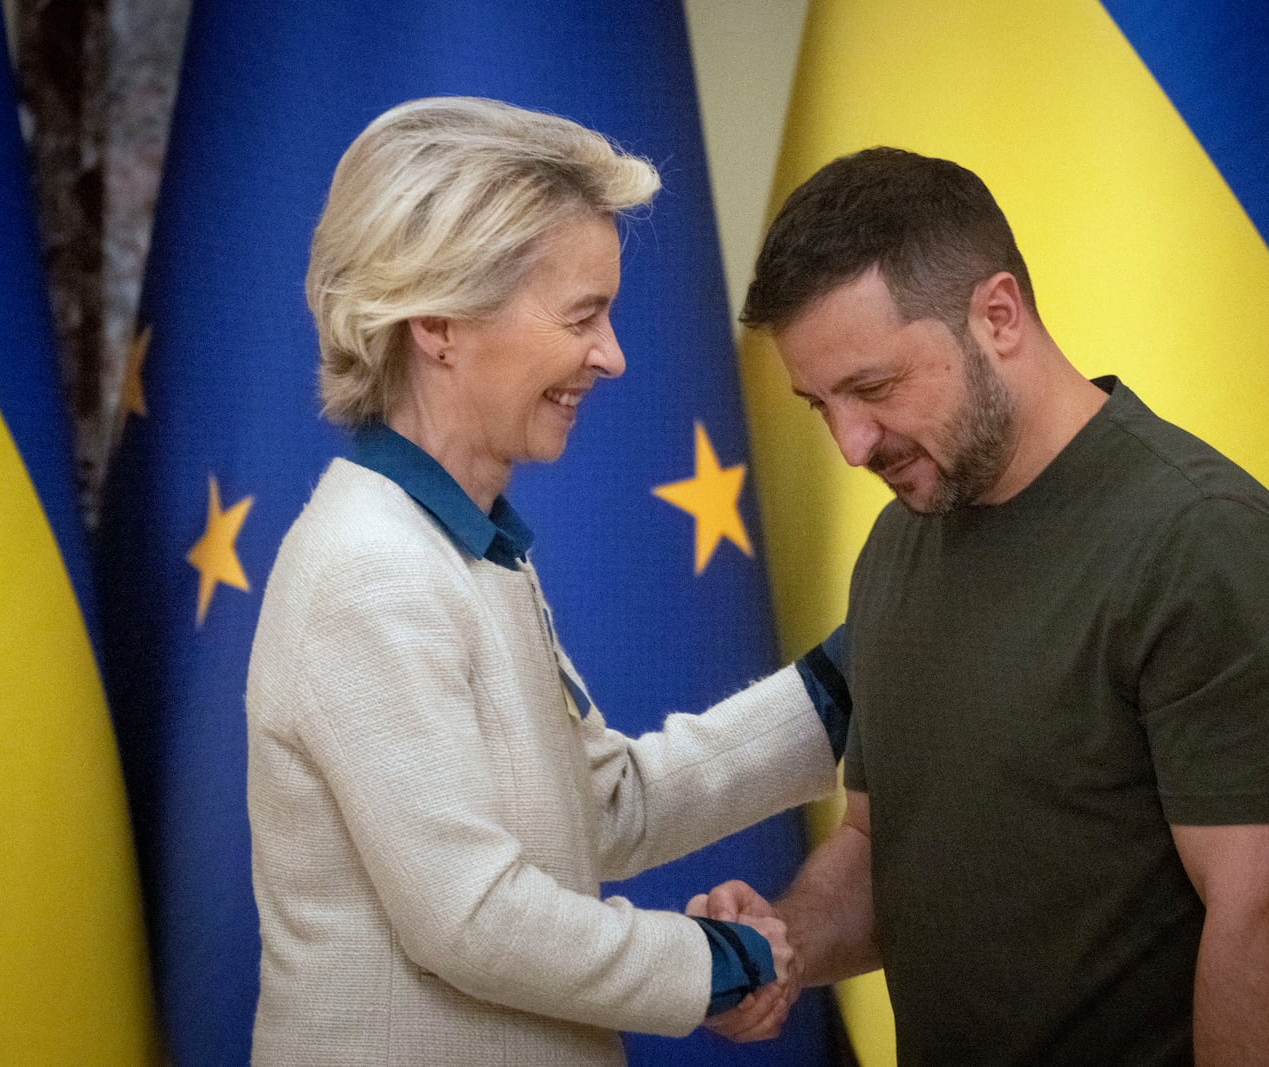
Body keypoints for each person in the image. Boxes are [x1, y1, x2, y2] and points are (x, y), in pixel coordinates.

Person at [690, 147, 1269, 1066]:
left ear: (998, 315)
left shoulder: (1199, 537)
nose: (851, 442)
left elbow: (1266, 906)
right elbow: (882, 849)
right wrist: (782, 943)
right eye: (818, 405)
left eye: (872, 388)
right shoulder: (898, 541)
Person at [245, 97, 848, 1066]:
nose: (612, 355)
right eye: (583, 315)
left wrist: (835, 693)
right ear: (438, 320)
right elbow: (471, 914)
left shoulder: (469, 550)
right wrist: (718, 959)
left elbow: (598, 807)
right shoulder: (369, 569)